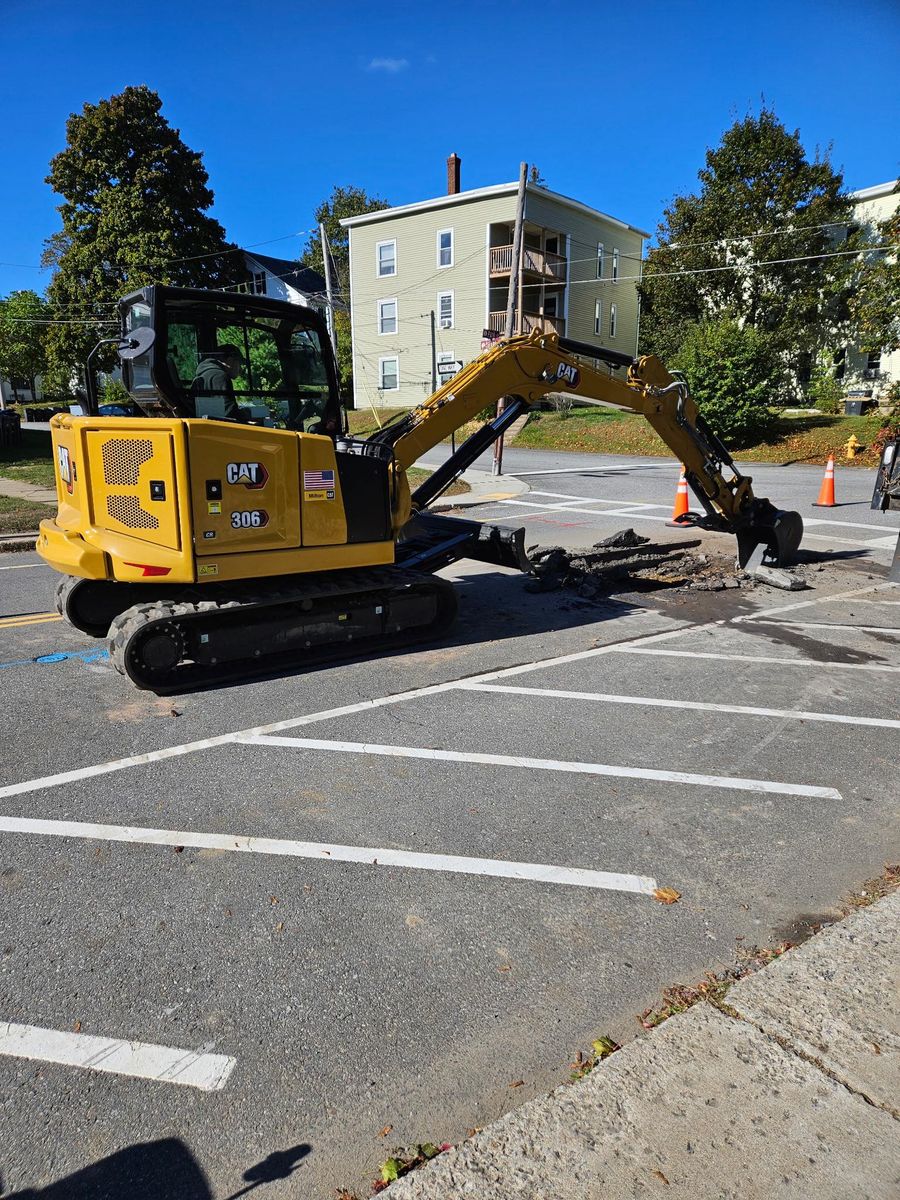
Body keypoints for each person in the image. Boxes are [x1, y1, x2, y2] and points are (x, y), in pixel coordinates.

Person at [190, 343, 244, 420]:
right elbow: (229, 413)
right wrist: (248, 413)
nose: (241, 370)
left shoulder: (206, 374)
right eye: (240, 364)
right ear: (230, 360)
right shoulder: (219, 377)